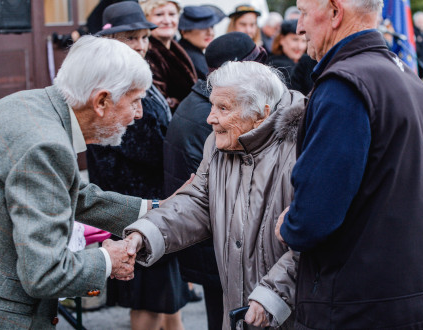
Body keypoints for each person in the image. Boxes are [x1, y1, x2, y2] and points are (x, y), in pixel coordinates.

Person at [275, 0, 423, 329]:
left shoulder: (343, 85)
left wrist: (287, 224)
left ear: (336, 12)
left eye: (305, 13)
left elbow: (313, 217)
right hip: (414, 295)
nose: (299, 27)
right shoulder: (409, 79)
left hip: (358, 305)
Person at [125, 61, 304, 330]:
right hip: (238, 312)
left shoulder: (301, 147)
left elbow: (314, 237)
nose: (210, 118)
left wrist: (271, 297)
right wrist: (144, 233)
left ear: (261, 114)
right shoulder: (219, 142)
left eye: (223, 108)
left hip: (292, 314)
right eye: (212, 105)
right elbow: (197, 201)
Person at [0, 35, 152, 329]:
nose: (138, 114)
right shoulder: (46, 146)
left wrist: (151, 210)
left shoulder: (25, 103)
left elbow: (63, 193)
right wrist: (107, 258)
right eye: (135, 101)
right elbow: (45, 273)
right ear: (102, 101)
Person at [86, 2, 189, 330]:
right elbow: (139, 147)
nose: (141, 45)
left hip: (153, 199)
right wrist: (180, 155)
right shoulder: (112, 84)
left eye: (144, 37)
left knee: (167, 299)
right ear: (113, 40)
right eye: (132, 38)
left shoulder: (136, 75)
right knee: (150, 299)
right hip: (136, 202)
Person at [163, 32, 268, 330]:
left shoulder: (200, 102)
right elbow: (210, 192)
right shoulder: (210, 117)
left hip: (217, 246)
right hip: (219, 247)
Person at [140, 0, 197, 112]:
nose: (167, 21)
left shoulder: (176, 48)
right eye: (159, 15)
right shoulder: (146, 53)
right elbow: (159, 103)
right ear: (145, 19)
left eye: (172, 14)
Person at [178, 5, 225, 80]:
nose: (210, 33)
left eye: (212, 27)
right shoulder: (192, 59)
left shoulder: (185, 52)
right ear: (184, 32)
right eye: (203, 27)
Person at [269, 20, 307, 89]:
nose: (300, 46)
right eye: (295, 39)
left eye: (304, 41)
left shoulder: (305, 63)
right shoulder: (278, 66)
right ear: (282, 39)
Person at [413, 11, 423, 80]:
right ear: (415, 23)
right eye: (419, 22)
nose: (421, 24)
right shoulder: (413, 34)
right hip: (419, 69)